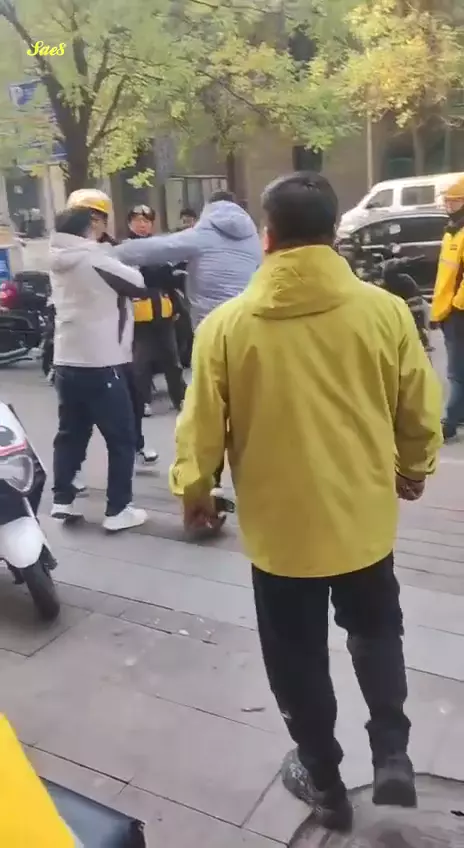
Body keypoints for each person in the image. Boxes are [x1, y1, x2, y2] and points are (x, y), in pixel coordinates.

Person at [168, 173, 442, 832]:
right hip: (362, 521)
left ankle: (324, 779)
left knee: (296, 657)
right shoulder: (383, 311)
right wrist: (414, 467)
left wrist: (196, 489)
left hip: (280, 533)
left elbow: (200, 425)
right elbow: (418, 404)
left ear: (268, 236)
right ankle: (393, 751)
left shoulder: (227, 327)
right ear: (334, 231)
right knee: (376, 630)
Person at [49, 189, 150, 531]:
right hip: (102, 360)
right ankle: (118, 510)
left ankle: (62, 499)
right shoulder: (94, 257)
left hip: (66, 359)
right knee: (121, 437)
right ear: (91, 224)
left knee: (71, 433)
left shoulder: (57, 255)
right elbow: (137, 283)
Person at [114, 190, 262, 330]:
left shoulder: (202, 235)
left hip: (210, 321)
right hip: (246, 320)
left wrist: (111, 253)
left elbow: (159, 248)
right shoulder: (253, 239)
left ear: (208, 208)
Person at [126, 204, 187, 415]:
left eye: (146, 221)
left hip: (163, 310)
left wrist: (177, 307)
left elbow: (170, 282)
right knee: (140, 362)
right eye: (137, 221)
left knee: (172, 359)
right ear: (130, 224)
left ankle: (180, 398)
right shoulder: (125, 249)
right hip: (138, 314)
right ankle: (142, 401)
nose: (142, 225)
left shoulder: (160, 248)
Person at [431, 176, 464, 441]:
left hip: (457, 312)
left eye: (454, 201)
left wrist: (456, 305)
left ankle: (449, 421)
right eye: (447, 201)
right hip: (447, 310)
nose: (448, 205)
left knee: (456, 371)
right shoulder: (451, 231)